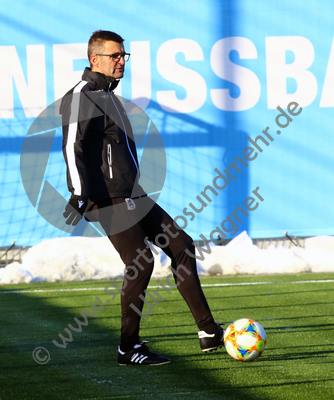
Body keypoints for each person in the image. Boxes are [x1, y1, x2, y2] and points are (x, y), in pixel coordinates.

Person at [60, 30, 224, 366]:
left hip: (131, 194)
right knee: (141, 262)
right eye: (115, 56)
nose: (122, 61)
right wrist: (78, 193)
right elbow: (72, 146)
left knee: (181, 244)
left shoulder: (109, 96)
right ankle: (128, 347)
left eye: (124, 56)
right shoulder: (82, 95)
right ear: (95, 60)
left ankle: (208, 332)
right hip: (105, 198)